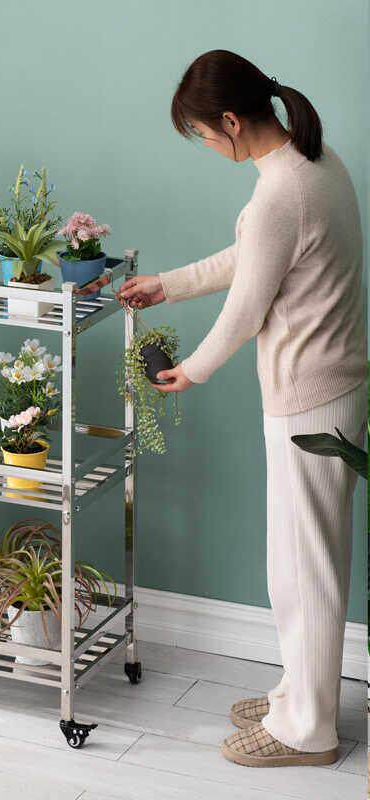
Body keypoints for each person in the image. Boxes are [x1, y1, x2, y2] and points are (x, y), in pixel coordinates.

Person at [85, 50, 366, 768]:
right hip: (326, 389)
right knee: (297, 561)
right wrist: (170, 284)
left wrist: (193, 369)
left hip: (310, 398)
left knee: (304, 568)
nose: (208, 147)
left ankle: (309, 731)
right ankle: (298, 698)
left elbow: (247, 307)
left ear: (232, 122)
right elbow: (254, 258)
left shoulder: (282, 191)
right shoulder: (311, 163)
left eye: (205, 135)